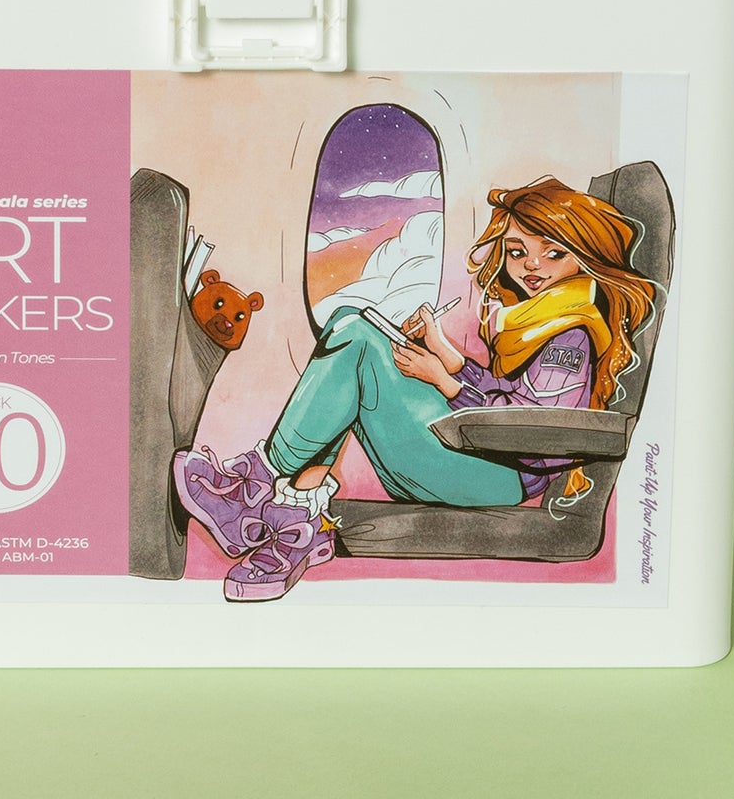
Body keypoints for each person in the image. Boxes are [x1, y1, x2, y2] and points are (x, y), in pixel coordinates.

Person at [174, 177, 657, 602]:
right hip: (483, 457)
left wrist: (443, 380)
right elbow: (509, 393)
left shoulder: (571, 332)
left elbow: (535, 430)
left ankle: (253, 486)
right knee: (348, 319)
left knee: (357, 338)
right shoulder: (540, 315)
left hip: (500, 476)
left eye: (554, 253)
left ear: (585, 258)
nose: (533, 265)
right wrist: (445, 353)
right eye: (517, 252)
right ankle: (295, 514)